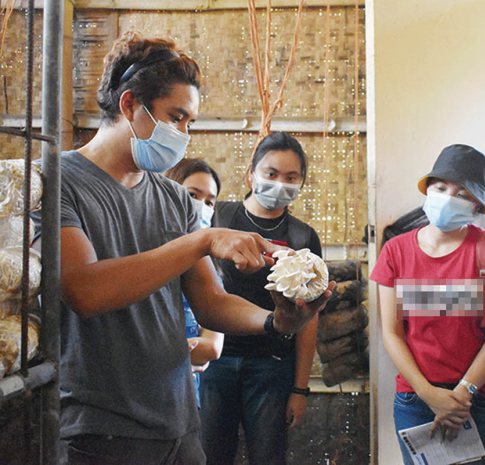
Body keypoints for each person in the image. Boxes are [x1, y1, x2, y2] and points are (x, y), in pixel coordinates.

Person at [31, 31, 333, 464]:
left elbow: (211, 303)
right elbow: (85, 291)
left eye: (189, 122)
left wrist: (277, 321)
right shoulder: (56, 180)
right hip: (99, 430)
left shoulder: (172, 199)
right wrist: (204, 240)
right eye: (176, 117)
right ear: (130, 104)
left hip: (179, 424)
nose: (183, 134)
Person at [370, 144, 485, 465]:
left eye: (463, 193)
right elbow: (392, 334)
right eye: (441, 188)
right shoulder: (395, 252)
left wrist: (461, 395)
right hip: (415, 399)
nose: (448, 197)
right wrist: (428, 394)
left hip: (477, 400)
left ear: (478, 206)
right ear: (428, 190)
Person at [199, 132, 322, 465]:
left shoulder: (302, 236)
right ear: (250, 174)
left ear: (301, 182)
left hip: (273, 367)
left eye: (291, 177)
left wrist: (300, 389)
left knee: (269, 457)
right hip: (212, 363)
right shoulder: (217, 218)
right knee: (209, 456)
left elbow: (309, 318)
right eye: (271, 173)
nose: (280, 183)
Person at [164, 158, 225, 403]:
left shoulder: (211, 270)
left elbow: (211, 347)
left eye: (210, 201)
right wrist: (184, 349)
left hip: (186, 398)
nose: (201, 207)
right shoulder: (142, 257)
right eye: (192, 195)